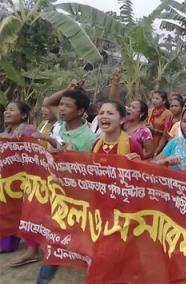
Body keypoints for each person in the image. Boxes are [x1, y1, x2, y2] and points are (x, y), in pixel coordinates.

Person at [37, 86, 96, 284]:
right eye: (61, 105)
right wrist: (68, 90)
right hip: (56, 191)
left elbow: (87, 170)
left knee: (69, 236)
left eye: (67, 106)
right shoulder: (61, 124)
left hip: (76, 197)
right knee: (57, 236)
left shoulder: (88, 138)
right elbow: (47, 102)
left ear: (80, 111)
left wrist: (69, 155)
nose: (61, 109)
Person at [0, 101, 40, 267]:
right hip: (8, 180)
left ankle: (30, 249)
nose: (7, 112)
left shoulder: (28, 130)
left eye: (12, 110)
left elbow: (34, 153)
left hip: (24, 178)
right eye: (6, 110)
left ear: (23, 115)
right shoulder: (5, 132)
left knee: (26, 210)